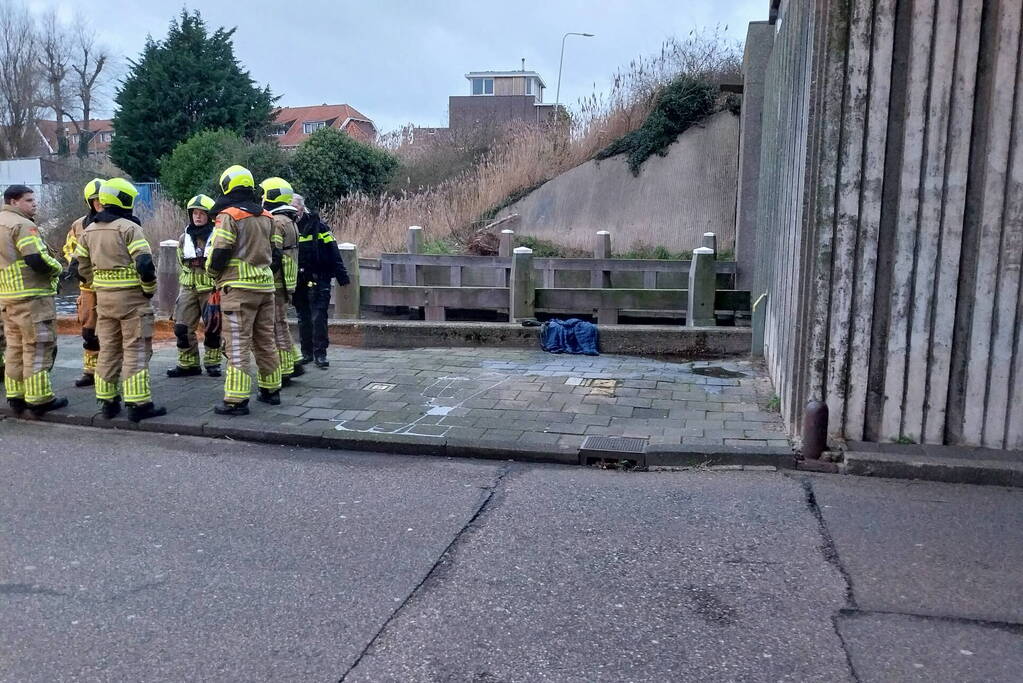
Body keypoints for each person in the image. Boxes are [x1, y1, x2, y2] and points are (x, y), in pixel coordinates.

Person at [76, 178, 165, 422]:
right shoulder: (129, 228)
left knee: (108, 350)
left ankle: (107, 402)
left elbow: (79, 266)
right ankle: (138, 404)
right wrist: (148, 289)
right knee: (136, 349)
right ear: (124, 200)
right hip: (132, 300)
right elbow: (144, 264)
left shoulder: (88, 230)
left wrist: (97, 284)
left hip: (104, 301)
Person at [206, 164, 281, 415]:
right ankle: (271, 390)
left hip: (238, 289)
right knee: (265, 340)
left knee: (237, 344)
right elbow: (276, 254)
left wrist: (212, 274)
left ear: (227, 185)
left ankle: (236, 400)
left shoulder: (229, 215)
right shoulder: (267, 216)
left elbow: (220, 252)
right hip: (265, 288)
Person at [0, 184, 67, 416]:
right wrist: (58, 267)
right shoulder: (22, 225)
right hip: (32, 297)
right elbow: (36, 259)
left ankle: (16, 396)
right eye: (28, 200)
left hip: (7, 298)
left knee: (14, 348)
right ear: (13, 202)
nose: (34, 204)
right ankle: (39, 399)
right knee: (38, 347)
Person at [167, 194, 222, 378]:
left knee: (213, 328)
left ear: (209, 216)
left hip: (210, 288)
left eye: (202, 213)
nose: (197, 217)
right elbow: (181, 261)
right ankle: (188, 364)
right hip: (189, 288)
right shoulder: (184, 238)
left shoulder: (218, 236)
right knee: (181, 328)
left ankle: (213, 363)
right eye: (194, 213)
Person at [291, 193, 349, 368]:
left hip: (319, 278)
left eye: (295, 207)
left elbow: (333, 251)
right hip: (299, 279)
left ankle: (320, 354)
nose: (293, 211)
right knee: (303, 317)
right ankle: (307, 353)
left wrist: (342, 276)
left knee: (319, 316)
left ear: (302, 207)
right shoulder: (287, 226)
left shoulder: (319, 226)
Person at [259, 177, 304, 384]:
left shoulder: (277, 222)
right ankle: (294, 359)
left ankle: (285, 369)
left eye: (264, 193)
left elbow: (274, 255)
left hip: (277, 282)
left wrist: (263, 273)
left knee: (277, 325)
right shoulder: (289, 220)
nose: (261, 198)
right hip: (286, 281)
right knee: (281, 323)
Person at [62, 177, 104, 387]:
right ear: (89, 202)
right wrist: (75, 265)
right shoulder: (79, 225)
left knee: (112, 331)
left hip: (109, 287)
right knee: (89, 331)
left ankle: (110, 369)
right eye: (95, 200)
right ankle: (90, 370)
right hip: (87, 287)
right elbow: (69, 248)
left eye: (102, 199)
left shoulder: (117, 223)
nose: (100, 203)